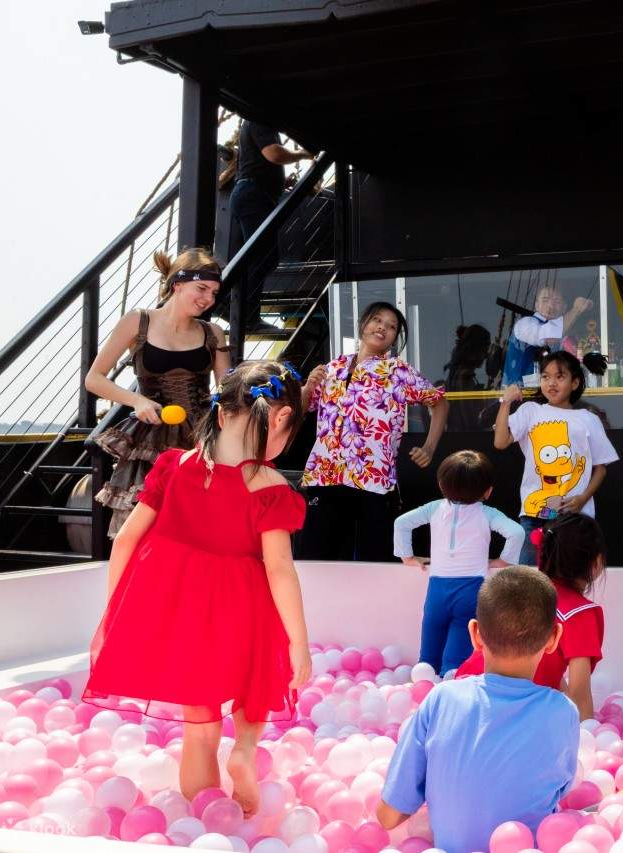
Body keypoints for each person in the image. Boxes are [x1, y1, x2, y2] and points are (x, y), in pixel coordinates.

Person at [83, 361, 310, 816]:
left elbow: (126, 538)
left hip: (183, 610)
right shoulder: (268, 486)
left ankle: (206, 815)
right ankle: (245, 749)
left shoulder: (174, 466)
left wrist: (113, 616)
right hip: (244, 606)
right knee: (255, 684)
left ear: (221, 414)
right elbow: (280, 569)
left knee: (200, 729)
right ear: (282, 420)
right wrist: (299, 642)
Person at [376, 567, 579, 851]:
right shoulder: (563, 711)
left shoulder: (441, 699)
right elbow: (559, 788)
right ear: (554, 638)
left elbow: (389, 815)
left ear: (475, 634)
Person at [86, 249, 231, 536]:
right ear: (177, 284)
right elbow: (94, 379)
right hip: (151, 437)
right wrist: (137, 400)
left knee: (199, 528)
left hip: (201, 437)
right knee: (144, 529)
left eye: (214, 292)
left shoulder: (213, 332)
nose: (208, 299)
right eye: (201, 288)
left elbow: (228, 390)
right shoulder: (137, 322)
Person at [298, 301, 448, 562]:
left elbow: (440, 402)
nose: (383, 328)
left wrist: (429, 447)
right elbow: (301, 410)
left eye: (391, 327)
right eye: (377, 320)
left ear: (395, 338)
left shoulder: (398, 371)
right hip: (326, 477)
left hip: (374, 481)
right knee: (318, 559)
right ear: (363, 323)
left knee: (374, 562)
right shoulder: (333, 368)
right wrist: (307, 387)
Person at [453, 512, 608, 720]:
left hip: (464, 691)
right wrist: (591, 735)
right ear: (596, 562)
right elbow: (579, 700)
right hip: (509, 709)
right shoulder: (580, 613)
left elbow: (548, 669)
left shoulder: (524, 590)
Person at [392, 450, 524, 675]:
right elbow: (517, 532)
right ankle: (450, 681)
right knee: (455, 661)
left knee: (427, 655)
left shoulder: (433, 508)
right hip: (471, 590)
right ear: (488, 492)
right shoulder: (487, 513)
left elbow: (401, 523)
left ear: (442, 485)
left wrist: (407, 557)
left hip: (437, 590)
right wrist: (503, 561)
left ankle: (423, 685)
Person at [495, 351, 618, 565]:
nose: (551, 383)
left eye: (560, 377)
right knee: (530, 578)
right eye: (545, 376)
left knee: (568, 573)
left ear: (575, 382)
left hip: (573, 515)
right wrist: (505, 402)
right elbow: (500, 441)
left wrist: (582, 499)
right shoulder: (530, 411)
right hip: (534, 515)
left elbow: (601, 468)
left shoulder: (589, 419)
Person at [226, 120, 312, 334]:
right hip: (252, 195)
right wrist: (302, 154)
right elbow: (274, 154)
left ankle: (237, 309)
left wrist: (280, 184)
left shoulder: (256, 123)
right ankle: (245, 315)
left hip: (253, 194)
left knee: (259, 257)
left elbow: (261, 162)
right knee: (261, 257)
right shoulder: (258, 119)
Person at [502, 285, 594, 384]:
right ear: (536, 305)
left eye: (557, 301)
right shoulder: (525, 324)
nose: (550, 306)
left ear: (564, 307)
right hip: (520, 396)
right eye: (545, 300)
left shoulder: (568, 337)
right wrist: (576, 310)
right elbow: (550, 334)